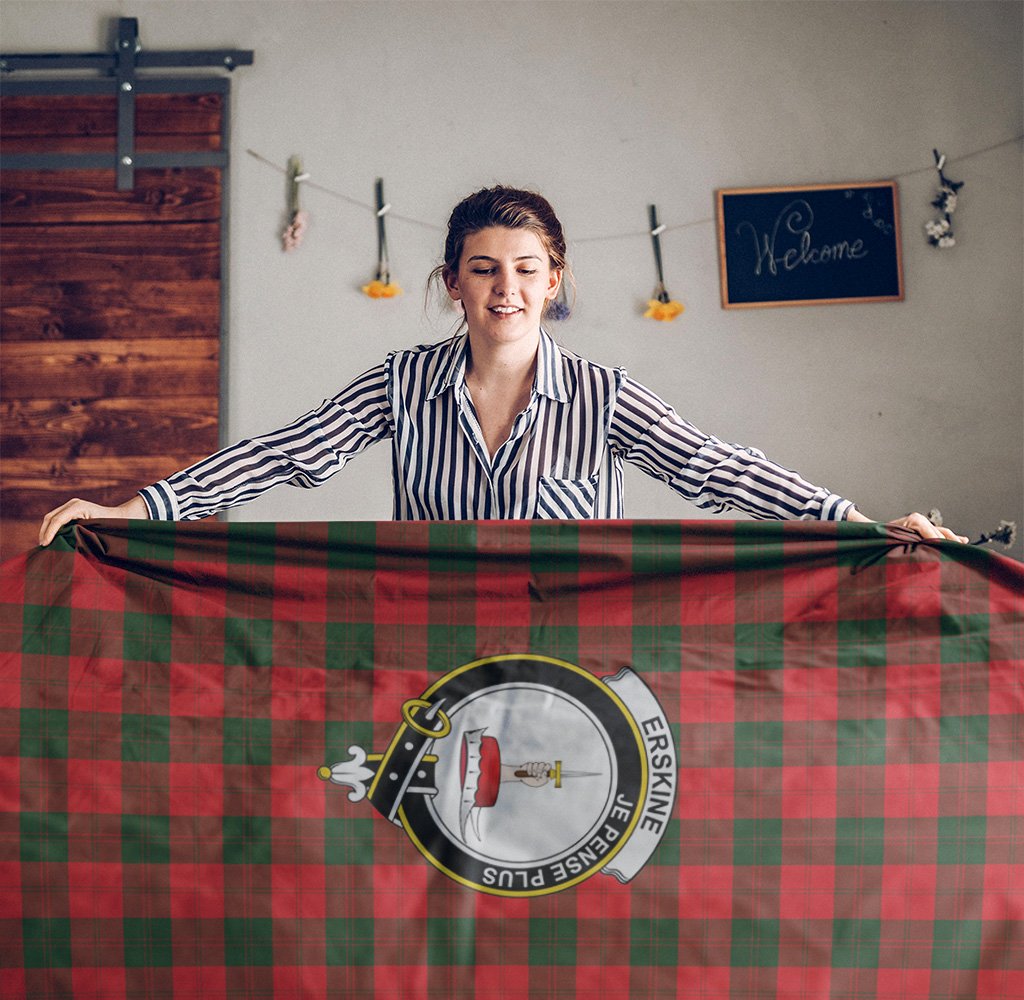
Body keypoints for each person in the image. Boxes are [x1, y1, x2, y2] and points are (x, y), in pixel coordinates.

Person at [38, 186, 968, 546]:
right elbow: (284, 455)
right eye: (484, 270)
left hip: (580, 663)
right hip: (429, 653)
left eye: (527, 271)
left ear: (555, 281)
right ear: (453, 283)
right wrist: (138, 510)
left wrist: (853, 523)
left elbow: (718, 467)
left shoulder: (604, 397)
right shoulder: (401, 382)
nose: (506, 289)